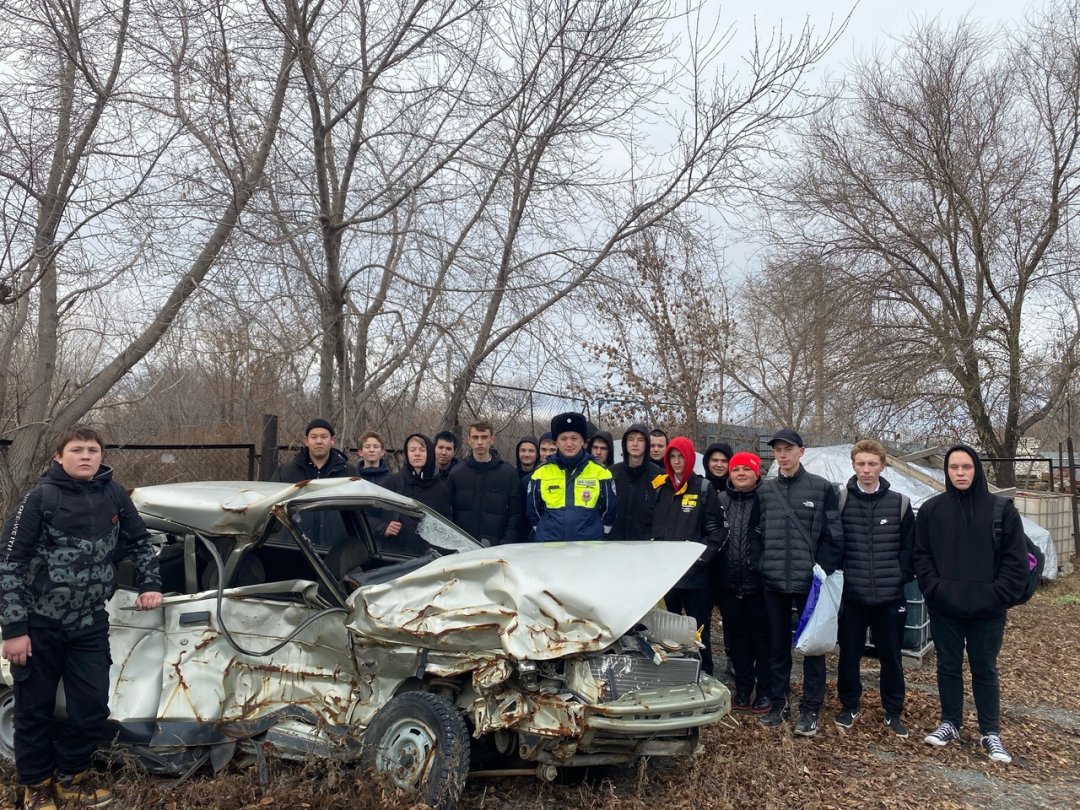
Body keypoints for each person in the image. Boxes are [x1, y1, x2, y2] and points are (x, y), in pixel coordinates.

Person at [1, 427, 163, 809]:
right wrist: (13, 630)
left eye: (93, 450)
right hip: (38, 625)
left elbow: (141, 543)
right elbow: (9, 564)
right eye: (77, 450)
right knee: (34, 709)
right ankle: (36, 786)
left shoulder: (114, 495)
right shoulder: (39, 499)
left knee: (91, 705)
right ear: (59, 456)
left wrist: (150, 584)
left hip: (89, 623)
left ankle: (71, 775)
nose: (86, 456)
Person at [915, 444, 1029, 764]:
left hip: (988, 610)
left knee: (984, 669)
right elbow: (921, 557)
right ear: (947, 471)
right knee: (948, 667)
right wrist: (935, 589)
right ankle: (950, 722)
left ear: (976, 469)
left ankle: (990, 731)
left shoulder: (1000, 509)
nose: (960, 473)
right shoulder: (932, 510)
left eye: (966, 467)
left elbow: (1015, 560)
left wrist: (996, 595)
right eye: (954, 468)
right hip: (945, 607)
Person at [755, 428, 844, 737]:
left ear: (801, 451)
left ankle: (810, 710)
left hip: (810, 584)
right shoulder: (765, 491)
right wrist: (762, 565)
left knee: (813, 649)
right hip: (774, 582)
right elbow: (756, 534)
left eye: (788, 449)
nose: (783, 454)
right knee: (777, 648)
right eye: (778, 449)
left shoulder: (822, 489)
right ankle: (779, 705)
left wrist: (822, 569)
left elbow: (835, 535)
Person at [834, 439, 915, 737]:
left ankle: (893, 711)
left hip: (889, 596)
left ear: (882, 465)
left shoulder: (901, 503)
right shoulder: (841, 500)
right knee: (849, 655)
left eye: (872, 464)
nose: (866, 470)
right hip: (852, 596)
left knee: (891, 656)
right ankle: (849, 706)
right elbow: (834, 543)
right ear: (853, 465)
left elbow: (910, 548)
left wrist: (899, 575)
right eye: (860, 464)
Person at [650, 437, 724, 675]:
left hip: (695, 578)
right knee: (665, 632)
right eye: (672, 456)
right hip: (665, 577)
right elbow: (649, 526)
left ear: (690, 457)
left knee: (697, 631)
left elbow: (717, 531)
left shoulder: (703, 488)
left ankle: (705, 675)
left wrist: (700, 557)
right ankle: (673, 676)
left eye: (681, 456)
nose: (676, 461)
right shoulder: (660, 486)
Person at [713, 451, 771, 713]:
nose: (740, 474)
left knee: (762, 639)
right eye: (736, 470)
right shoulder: (720, 500)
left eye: (746, 470)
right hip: (727, 581)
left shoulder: (767, 498)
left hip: (759, 583)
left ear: (756, 473)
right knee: (738, 639)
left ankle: (766, 690)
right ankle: (744, 687)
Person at [527, 412, 616, 541]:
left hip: (589, 546)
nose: (569, 444)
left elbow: (609, 510)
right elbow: (533, 510)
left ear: (583, 442)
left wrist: (597, 531)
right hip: (549, 545)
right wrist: (544, 530)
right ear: (556, 442)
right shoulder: (541, 473)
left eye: (574, 438)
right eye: (563, 439)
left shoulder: (601, 472)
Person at [448, 421, 523, 546]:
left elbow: (515, 514)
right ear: (468, 440)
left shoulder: (508, 474)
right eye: (475, 437)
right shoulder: (457, 473)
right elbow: (448, 512)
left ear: (492, 439)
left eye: (484, 437)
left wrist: (506, 542)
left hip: (497, 547)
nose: (479, 442)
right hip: (462, 547)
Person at [608, 423, 661, 542]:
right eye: (630, 439)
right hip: (615, 544)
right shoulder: (611, 473)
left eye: (640, 440)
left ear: (647, 444)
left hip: (646, 546)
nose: (635, 444)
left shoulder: (659, 475)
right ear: (625, 443)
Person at [270, 418, 352, 483]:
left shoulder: (349, 474)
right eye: (313, 437)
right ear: (306, 441)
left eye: (324, 437)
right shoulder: (285, 472)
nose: (319, 441)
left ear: (332, 440)